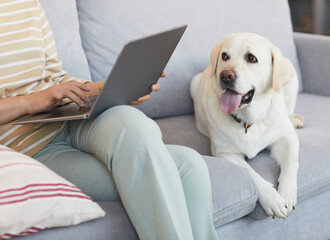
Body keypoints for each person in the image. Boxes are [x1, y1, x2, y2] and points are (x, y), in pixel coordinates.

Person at [0, 0, 218, 239]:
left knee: (133, 121)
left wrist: (114, 88)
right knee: (187, 167)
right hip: (30, 149)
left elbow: (56, 78)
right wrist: (30, 102)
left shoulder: (27, 4)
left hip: (68, 118)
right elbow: (41, 95)